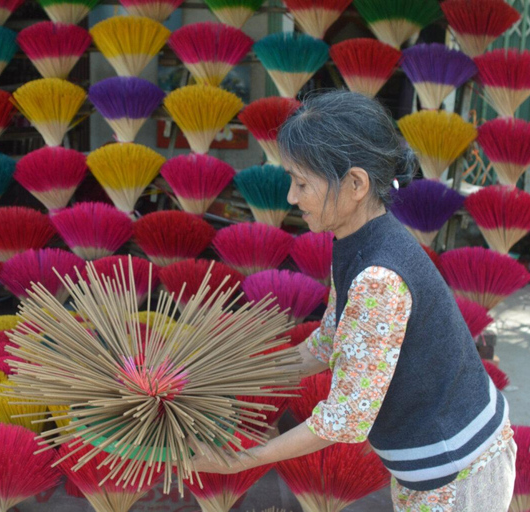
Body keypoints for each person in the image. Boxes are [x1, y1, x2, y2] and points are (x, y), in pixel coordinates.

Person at [189, 90, 517, 512]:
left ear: (356, 184)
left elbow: (345, 419)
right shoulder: (355, 241)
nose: (291, 196)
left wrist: (239, 461)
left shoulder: (378, 278)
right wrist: (237, 378)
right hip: (439, 463)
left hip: (458, 472)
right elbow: (328, 342)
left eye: (302, 182)